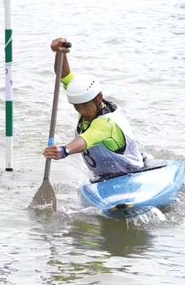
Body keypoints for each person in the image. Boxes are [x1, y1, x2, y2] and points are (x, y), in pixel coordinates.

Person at [43, 37, 145, 180]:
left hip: (132, 173)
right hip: (105, 176)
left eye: (85, 106)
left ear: (99, 99)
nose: (82, 111)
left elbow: (86, 139)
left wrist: (64, 150)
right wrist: (61, 54)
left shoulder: (106, 123)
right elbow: (64, 75)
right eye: (77, 106)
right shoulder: (84, 100)